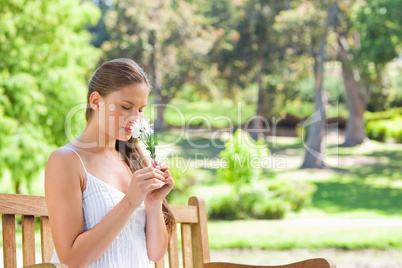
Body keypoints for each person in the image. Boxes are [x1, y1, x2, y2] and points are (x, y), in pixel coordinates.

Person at [45, 58, 175, 268]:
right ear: (96, 101)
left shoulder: (135, 158)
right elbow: (71, 259)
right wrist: (130, 201)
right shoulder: (66, 161)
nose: (135, 119)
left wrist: (153, 202)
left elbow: (155, 253)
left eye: (140, 109)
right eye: (126, 106)